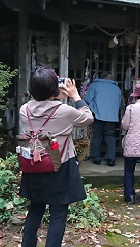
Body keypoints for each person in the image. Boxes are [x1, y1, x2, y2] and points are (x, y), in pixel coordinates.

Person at [19, 66, 93, 247]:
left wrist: (54, 97)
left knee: (35, 208)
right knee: (58, 213)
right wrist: (75, 96)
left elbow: (43, 106)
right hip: (59, 166)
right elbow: (87, 118)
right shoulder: (63, 111)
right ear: (54, 89)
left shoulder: (24, 110)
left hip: (34, 165)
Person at [85, 72, 121, 166]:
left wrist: (94, 110)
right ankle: (111, 158)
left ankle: (96, 157)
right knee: (110, 137)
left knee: (97, 136)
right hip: (112, 116)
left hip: (98, 115)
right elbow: (119, 102)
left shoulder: (94, 85)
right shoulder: (116, 88)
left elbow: (88, 100)